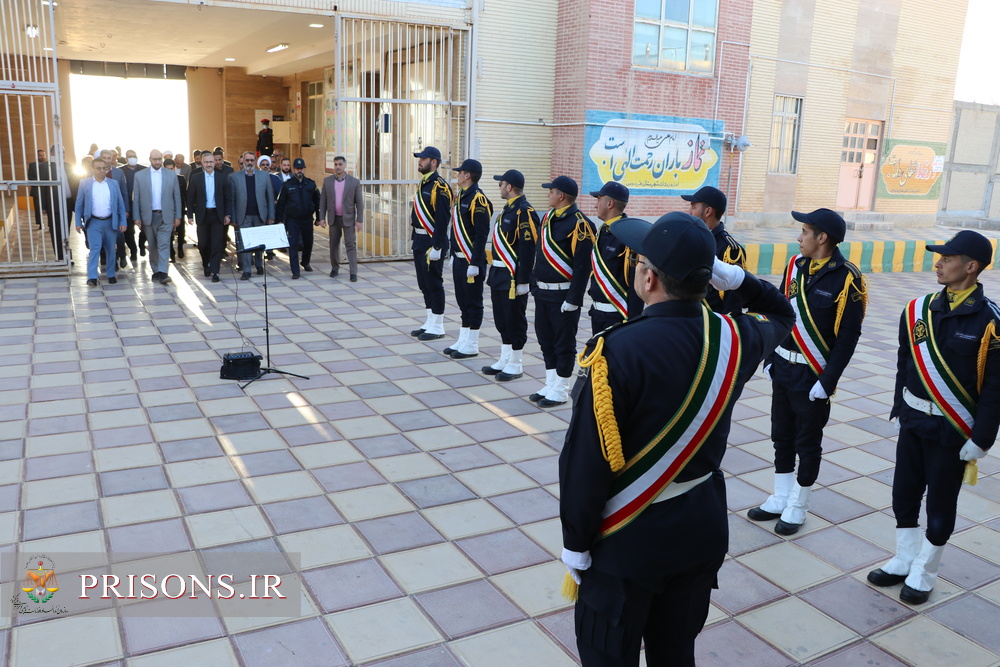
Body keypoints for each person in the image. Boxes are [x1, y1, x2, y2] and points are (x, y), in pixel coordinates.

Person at [559, 213, 795, 666]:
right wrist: (738, 279)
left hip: (627, 542)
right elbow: (784, 311)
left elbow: (584, 463)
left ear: (648, 279)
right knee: (675, 655)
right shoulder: (736, 337)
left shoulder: (615, 351)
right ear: (709, 279)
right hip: (699, 529)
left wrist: (575, 543)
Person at [867, 231, 999, 605]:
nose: (938, 262)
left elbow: (995, 388)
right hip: (914, 421)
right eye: (939, 256)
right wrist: (899, 406)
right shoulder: (918, 310)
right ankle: (904, 558)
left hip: (952, 429)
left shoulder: (991, 322)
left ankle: (925, 570)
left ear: (971, 267)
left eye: (947, 257)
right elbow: (904, 363)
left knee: (940, 503)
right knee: (904, 495)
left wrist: (982, 438)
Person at [748, 209, 868, 535]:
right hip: (784, 367)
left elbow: (847, 338)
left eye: (804, 231)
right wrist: (771, 357)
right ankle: (781, 495)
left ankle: (799, 504)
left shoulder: (847, 279)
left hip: (813, 376)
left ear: (822, 238)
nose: (799, 238)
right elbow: (780, 313)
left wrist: (828, 382)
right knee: (781, 435)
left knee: (807, 442)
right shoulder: (795, 267)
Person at [530, 176, 595, 407]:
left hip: (563, 295)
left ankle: (561, 388)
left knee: (563, 343)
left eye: (551, 191)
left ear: (562, 196)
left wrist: (574, 299)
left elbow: (582, 266)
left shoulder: (580, 224)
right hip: (544, 293)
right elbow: (539, 254)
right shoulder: (547, 218)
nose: (548, 194)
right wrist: (534, 284)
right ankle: (551, 383)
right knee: (545, 339)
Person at [482, 169, 538, 380]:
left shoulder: (524, 212)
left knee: (514, 319)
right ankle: (505, 358)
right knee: (501, 319)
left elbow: (527, 248)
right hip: (498, 273)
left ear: (510, 187)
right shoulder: (508, 210)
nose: (499, 187)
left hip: (514, 277)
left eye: (501, 183)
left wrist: (523, 280)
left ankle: (516, 363)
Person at [443, 159, 493, 359]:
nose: (457, 175)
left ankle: (472, 343)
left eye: (459, 172)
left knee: (473, 302)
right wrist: (454, 253)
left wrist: (474, 263)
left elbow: (481, 235)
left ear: (468, 175)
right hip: (460, 258)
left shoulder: (478, 200)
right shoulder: (461, 196)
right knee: (462, 301)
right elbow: (456, 230)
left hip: (472, 261)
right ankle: (463, 338)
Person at [409, 146, 453, 340]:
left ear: (433, 162)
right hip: (419, 239)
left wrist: (437, 247)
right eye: (419, 158)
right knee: (423, 283)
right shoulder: (424, 183)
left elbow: (443, 220)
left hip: (431, 242)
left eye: (423, 159)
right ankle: (430, 320)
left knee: (434, 283)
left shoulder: (440, 187)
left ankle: (438, 325)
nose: (419, 161)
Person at [587, 181, 642, 335]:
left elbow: (635, 284)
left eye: (599, 199)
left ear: (610, 203)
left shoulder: (628, 236)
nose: (595, 205)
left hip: (618, 315)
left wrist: (633, 322)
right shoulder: (603, 231)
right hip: (597, 313)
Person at [683, 186, 746, 315]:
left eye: (694, 207)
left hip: (712, 324)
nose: (689, 212)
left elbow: (732, 303)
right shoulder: (692, 240)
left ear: (708, 211)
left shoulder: (729, 249)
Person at [74, 157, 127, 287]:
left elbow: (120, 204)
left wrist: (123, 222)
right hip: (93, 222)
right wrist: (78, 222)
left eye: (104, 168)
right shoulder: (85, 183)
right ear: (92, 169)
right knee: (95, 249)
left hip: (110, 221)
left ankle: (110, 274)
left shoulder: (113, 184)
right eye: (98, 168)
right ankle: (92, 277)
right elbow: (79, 204)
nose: (101, 171)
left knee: (110, 249)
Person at [133, 149, 182, 285]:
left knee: (164, 244)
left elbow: (177, 197)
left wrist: (178, 216)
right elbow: (136, 198)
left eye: (159, 159)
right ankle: (156, 271)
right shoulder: (140, 176)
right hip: (148, 216)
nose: (157, 162)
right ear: (150, 159)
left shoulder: (171, 175)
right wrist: (137, 217)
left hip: (166, 216)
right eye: (155, 159)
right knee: (153, 245)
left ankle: (164, 272)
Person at [226, 151, 276, 281]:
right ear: (243, 161)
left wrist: (271, 216)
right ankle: (247, 269)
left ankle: (259, 265)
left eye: (251, 160)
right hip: (243, 216)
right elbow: (232, 199)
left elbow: (270, 198)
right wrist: (234, 218)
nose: (249, 163)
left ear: (255, 161)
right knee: (246, 244)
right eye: (247, 160)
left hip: (260, 215)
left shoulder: (264, 176)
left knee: (259, 243)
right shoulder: (234, 177)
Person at [319, 155, 364, 281]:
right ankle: (334, 268)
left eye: (340, 164)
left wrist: (359, 220)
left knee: (350, 245)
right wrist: (321, 218)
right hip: (334, 218)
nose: (338, 167)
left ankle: (353, 272)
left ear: (345, 166)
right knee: (333, 244)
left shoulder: (354, 182)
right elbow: (323, 200)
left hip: (348, 218)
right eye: (336, 164)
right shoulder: (327, 181)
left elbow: (359, 202)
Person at [276, 158, 319, 279]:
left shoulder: (311, 184)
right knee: (293, 244)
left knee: (308, 243)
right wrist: (279, 220)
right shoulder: (287, 185)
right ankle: (295, 270)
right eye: (297, 169)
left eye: (301, 168)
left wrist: (319, 217)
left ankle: (305, 262)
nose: (299, 171)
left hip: (307, 219)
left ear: (304, 169)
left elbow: (317, 201)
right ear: (293, 169)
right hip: (292, 220)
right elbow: (281, 204)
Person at [186, 152, 227, 282]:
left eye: (211, 162)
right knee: (203, 244)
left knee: (217, 244)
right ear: (202, 163)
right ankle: (206, 264)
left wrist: (227, 214)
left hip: (217, 215)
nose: (209, 164)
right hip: (202, 215)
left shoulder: (222, 177)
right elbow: (190, 197)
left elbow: (228, 198)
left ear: (215, 163)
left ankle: (215, 271)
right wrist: (189, 215)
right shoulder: (196, 178)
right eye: (206, 162)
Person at [164, 158, 188, 262]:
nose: (170, 171)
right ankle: (171, 254)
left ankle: (180, 248)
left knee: (181, 230)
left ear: (174, 168)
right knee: (168, 232)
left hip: (180, 209)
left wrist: (186, 208)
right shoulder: (162, 180)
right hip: (167, 210)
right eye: (167, 169)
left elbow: (185, 195)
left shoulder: (181, 179)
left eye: (171, 169)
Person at [27, 148, 47, 230]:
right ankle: (40, 223)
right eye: (40, 155)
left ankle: (50, 224)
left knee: (50, 207)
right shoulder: (32, 165)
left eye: (43, 155)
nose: (42, 157)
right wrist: (39, 181)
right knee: (38, 208)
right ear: (37, 156)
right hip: (36, 190)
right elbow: (30, 177)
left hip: (47, 190)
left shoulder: (49, 164)